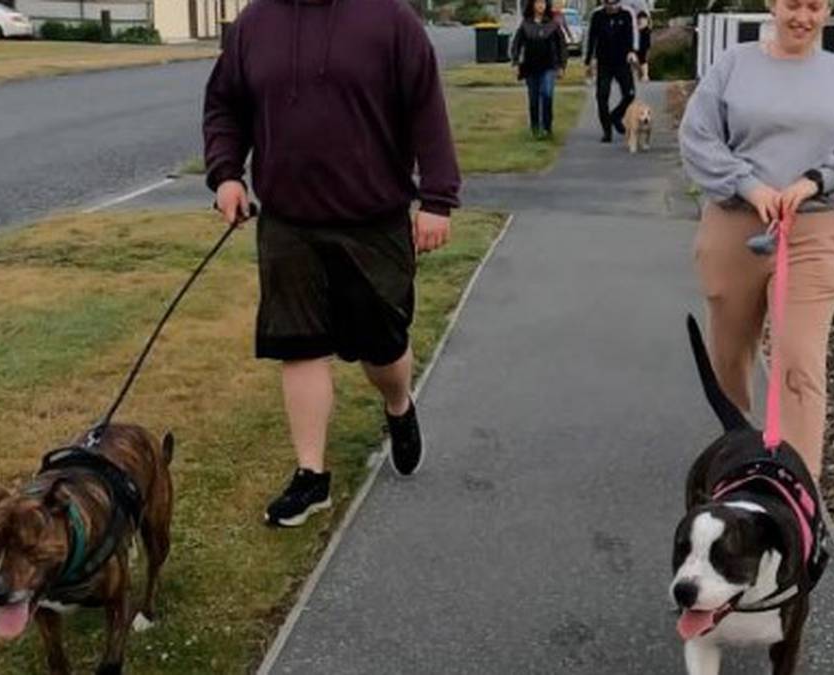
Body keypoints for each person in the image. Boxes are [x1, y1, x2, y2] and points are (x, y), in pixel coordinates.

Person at [203, 0, 461, 527]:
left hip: (374, 218)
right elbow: (226, 105)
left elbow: (426, 109)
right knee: (299, 345)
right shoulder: (255, 22)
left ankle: (398, 406)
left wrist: (436, 198)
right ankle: (311, 477)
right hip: (288, 221)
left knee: (382, 344)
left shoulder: (392, 19)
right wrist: (227, 174)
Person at [677, 0, 834, 478]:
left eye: (816, 6)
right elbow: (699, 137)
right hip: (736, 224)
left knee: (799, 358)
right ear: (772, 3)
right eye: (793, 4)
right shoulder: (733, 66)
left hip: (811, 229)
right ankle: (735, 460)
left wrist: (814, 180)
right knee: (730, 355)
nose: (803, 17)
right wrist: (749, 185)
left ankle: (796, 482)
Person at [511, 0, 568, 138]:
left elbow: (562, 46)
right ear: (532, 5)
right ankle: (535, 127)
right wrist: (516, 62)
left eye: (543, 3)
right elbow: (516, 44)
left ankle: (547, 127)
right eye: (538, 3)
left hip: (548, 66)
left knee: (547, 94)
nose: (540, 6)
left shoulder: (553, 25)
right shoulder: (526, 24)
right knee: (533, 98)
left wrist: (561, 65)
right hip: (530, 67)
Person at [585, 0, 638, 143]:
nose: (612, 6)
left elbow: (632, 34)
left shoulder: (626, 15)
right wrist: (589, 60)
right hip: (604, 62)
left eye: (614, 3)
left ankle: (615, 116)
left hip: (622, 61)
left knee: (630, 94)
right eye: (608, 4)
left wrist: (632, 51)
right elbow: (591, 38)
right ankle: (606, 131)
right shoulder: (597, 16)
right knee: (602, 96)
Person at [636, 10, 652, 82]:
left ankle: (645, 75)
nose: (641, 21)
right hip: (638, 45)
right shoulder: (638, 27)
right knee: (637, 61)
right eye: (639, 19)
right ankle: (640, 75)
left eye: (642, 19)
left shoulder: (646, 29)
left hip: (644, 46)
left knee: (643, 60)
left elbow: (643, 27)